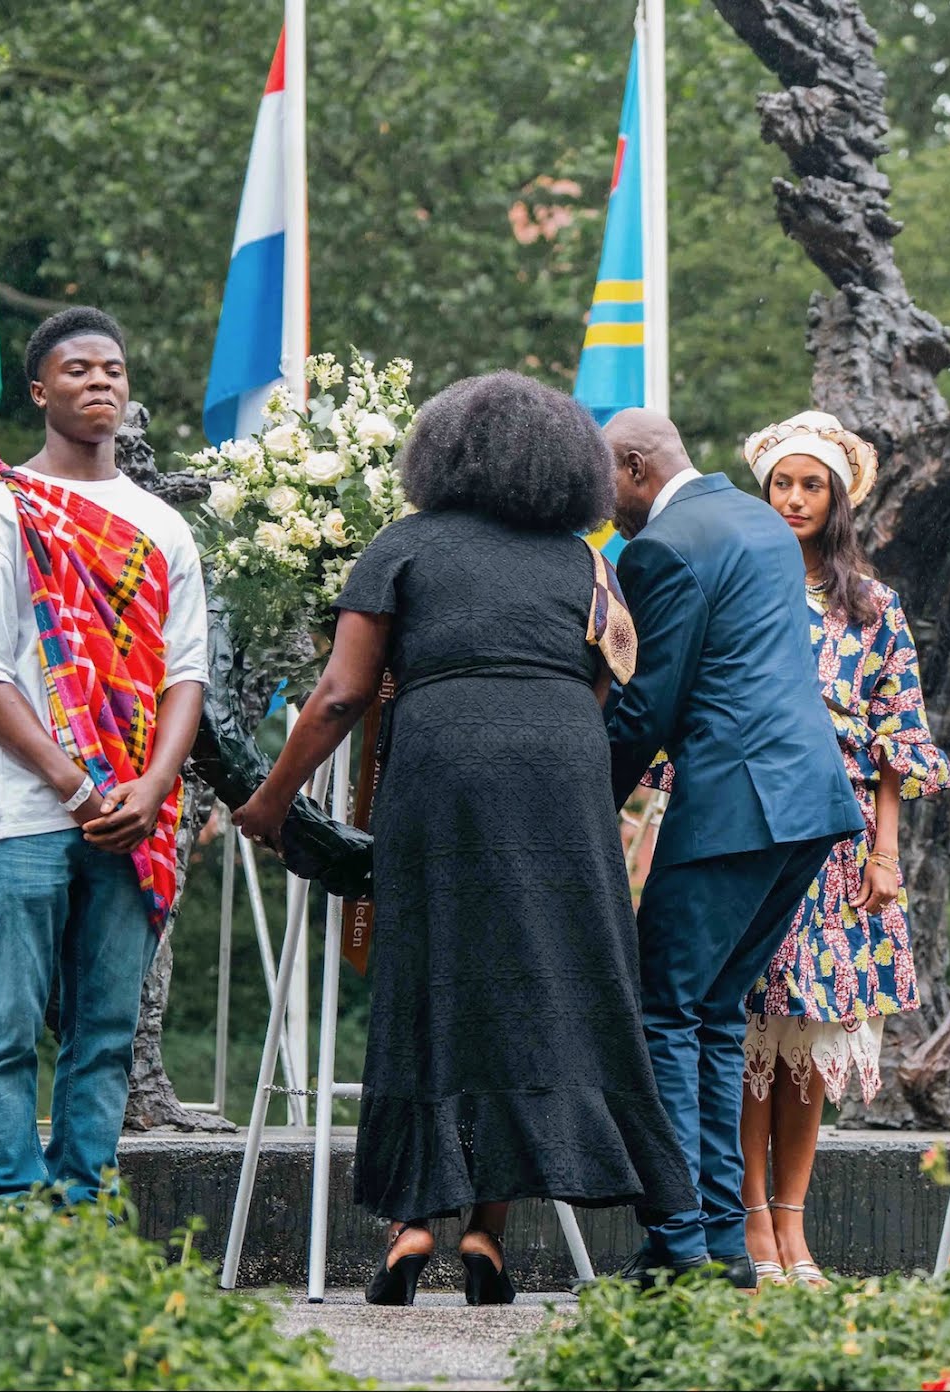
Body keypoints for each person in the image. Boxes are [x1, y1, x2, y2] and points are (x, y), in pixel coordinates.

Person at [233, 372, 693, 1306]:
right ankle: (487, 1231)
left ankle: (409, 1231)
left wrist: (270, 804)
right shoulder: (585, 559)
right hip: (561, 771)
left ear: (440, 456)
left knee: (429, 977)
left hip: (444, 764)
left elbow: (339, 695)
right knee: (534, 983)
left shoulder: (401, 547)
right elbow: (607, 687)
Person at [0, 308, 208, 1205]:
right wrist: (79, 783)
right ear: (39, 389)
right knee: (8, 1022)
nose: (101, 383)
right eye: (79, 370)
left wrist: (151, 785)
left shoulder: (164, 527)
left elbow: (187, 676)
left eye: (114, 370)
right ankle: (8, 1213)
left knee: (106, 1030)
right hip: (22, 811)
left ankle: (83, 1207)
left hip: (135, 811)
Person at [602, 407, 864, 1289]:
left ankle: (679, 1241)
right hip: (810, 804)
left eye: (608, 483)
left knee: (663, 1011)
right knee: (714, 1016)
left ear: (636, 465)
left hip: (733, 808)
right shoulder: (755, 522)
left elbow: (650, 706)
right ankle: (722, 1243)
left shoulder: (663, 547)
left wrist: (581, 800)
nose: (606, 507)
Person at [733, 410, 950, 1287]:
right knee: (753, 1030)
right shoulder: (742, 585)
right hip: (752, 828)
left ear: (837, 498)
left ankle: (795, 1225)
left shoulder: (874, 606)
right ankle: (750, 1220)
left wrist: (885, 855)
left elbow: (902, 738)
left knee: (814, 1040)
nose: (793, 499)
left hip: (844, 836)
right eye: (781, 483)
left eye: (809, 485)